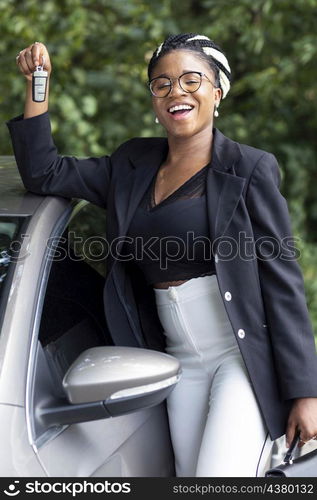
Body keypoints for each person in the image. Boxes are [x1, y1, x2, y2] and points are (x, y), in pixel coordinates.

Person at [7, 34, 317, 477]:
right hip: (173, 360)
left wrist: (307, 392)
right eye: (162, 84)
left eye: (192, 80)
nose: (177, 92)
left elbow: (281, 280)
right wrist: (38, 83)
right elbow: (43, 173)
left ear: (218, 91)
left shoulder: (249, 169)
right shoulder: (130, 164)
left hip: (240, 355)